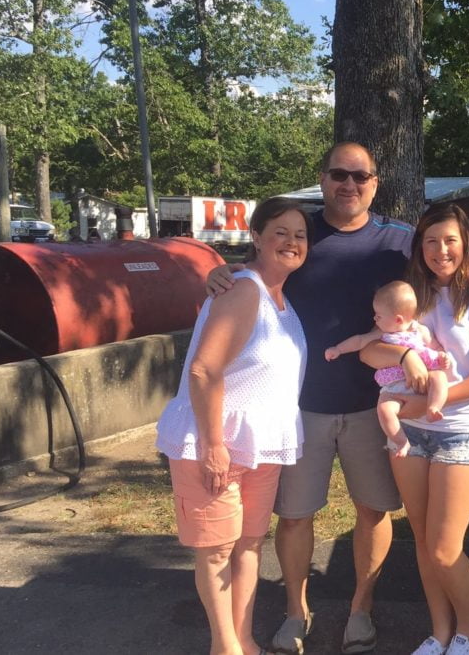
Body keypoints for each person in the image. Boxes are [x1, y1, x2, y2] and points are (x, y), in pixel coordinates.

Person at [206, 141, 469, 655]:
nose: (349, 184)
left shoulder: (399, 242)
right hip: (301, 406)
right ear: (322, 178)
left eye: (359, 176)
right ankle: (296, 611)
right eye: (338, 175)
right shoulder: (298, 235)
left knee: (373, 512)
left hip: (377, 406)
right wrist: (219, 270)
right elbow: (255, 265)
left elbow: (445, 260)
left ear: (375, 182)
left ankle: (361, 608)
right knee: (295, 516)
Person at [156, 197, 311, 655]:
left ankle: (244, 639)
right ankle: (224, 646)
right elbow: (204, 370)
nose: (291, 241)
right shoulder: (244, 289)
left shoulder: (280, 298)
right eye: (280, 232)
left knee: (248, 545)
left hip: (260, 444)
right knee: (217, 550)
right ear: (257, 238)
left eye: (300, 235)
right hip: (216, 442)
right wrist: (213, 444)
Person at [361, 204, 469, 655]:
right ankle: (440, 632)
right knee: (425, 544)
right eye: (430, 241)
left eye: (449, 240)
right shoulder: (410, 296)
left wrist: (427, 400)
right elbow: (370, 352)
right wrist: (404, 358)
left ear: (466, 243)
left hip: (461, 431)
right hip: (409, 431)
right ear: (419, 247)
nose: (440, 250)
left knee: (446, 549)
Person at [324, 280, 452, 457]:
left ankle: (434, 407)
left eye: (378, 315)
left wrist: (441, 356)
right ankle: (401, 441)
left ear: (398, 319)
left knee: (439, 377)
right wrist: (338, 349)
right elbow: (360, 340)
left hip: (423, 378)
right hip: (394, 388)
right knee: (384, 409)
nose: (375, 319)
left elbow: (435, 347)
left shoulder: (419, 330)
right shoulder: (382, 333)